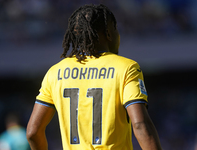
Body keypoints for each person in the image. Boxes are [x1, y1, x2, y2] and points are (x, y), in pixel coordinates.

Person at [26, 4, 162, 150]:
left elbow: (33, 132)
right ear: (109, 33)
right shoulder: (126, 67)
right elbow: (140, 125)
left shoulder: (55, 72)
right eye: (116, 29)